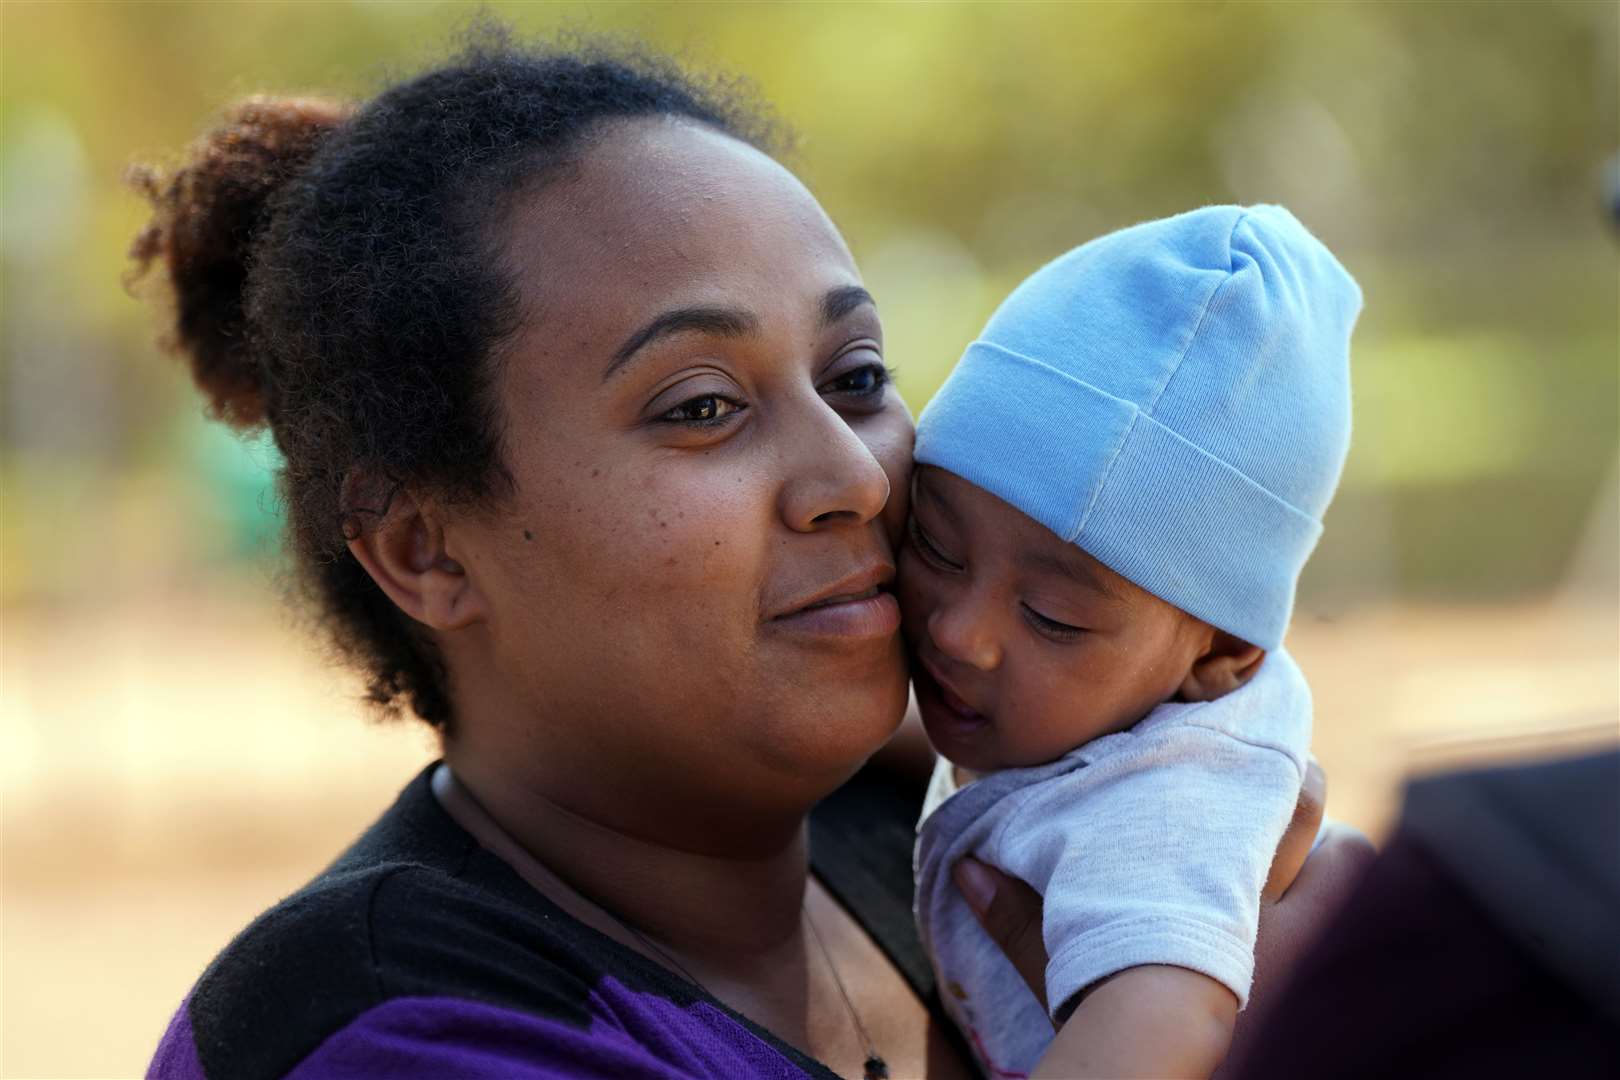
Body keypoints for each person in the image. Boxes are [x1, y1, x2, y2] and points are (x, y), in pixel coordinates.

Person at [131, 35, 1369, 1080]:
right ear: (422, 549)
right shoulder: (385, 1030)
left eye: (859, 378)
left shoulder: (954, 835)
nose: (854, 475)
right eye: (704, 406)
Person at [903, 206, 1360, 1078]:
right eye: (933, 542)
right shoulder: (1091, 709)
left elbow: (1168, 1032)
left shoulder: (1164, 806)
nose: (958, 633)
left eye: (1053, 619)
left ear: (1220, 659)